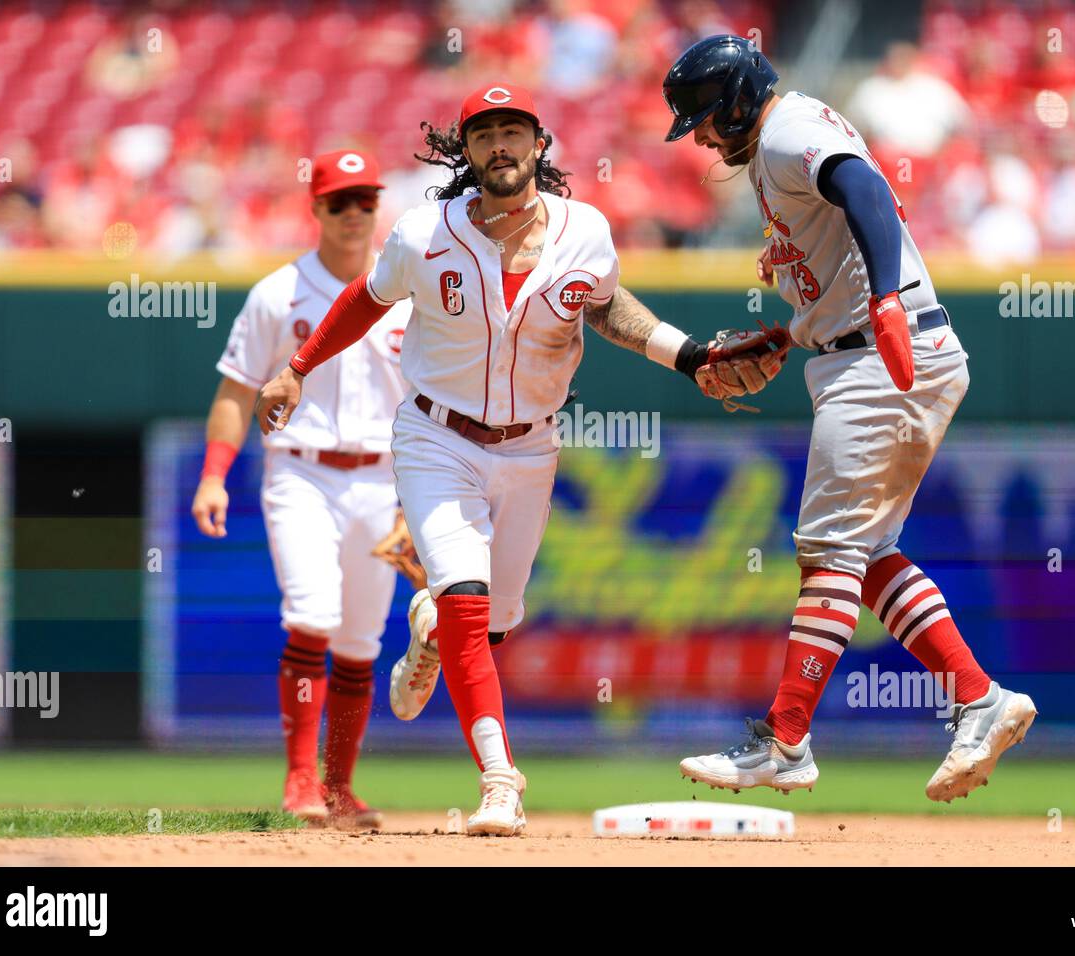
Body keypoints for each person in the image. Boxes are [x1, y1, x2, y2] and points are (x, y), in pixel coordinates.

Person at [253, 84, 784, 835]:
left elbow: (605, 307)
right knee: (472, 609)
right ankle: (500, 780)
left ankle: (430, 627)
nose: (500, 145)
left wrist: (689, 355)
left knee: (496, 619)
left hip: (531, 445)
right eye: (484, 134)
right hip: (436, 438)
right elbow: (368, 300)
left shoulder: (586, 231)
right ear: (463, 151)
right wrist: (298, 368)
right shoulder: (422, 232)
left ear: (539, 144)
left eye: (514, 130)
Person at [661, 36, 1037, 802]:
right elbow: (837, 233)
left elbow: (862, 187)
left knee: (829, 550)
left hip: (881, 351)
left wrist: (887, 299)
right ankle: (979, 697)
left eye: (702, 118)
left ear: (736, 99)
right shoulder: (780, 138)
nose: (698, 136)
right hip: (860, 349)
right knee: (864, 555)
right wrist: (789, 330)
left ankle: (786, 740)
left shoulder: (788, 131)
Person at [191, 150, 435, 827]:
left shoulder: (408, 293)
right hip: (300, 471)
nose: (355, 213)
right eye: (340, 202)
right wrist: (213, 473)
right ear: (316, 209)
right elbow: (236, 390)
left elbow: (430, 403)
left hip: (383, 480)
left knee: (359, 642)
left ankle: (338, 787)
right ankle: (300, 778)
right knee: (312, 613)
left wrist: (415, 501)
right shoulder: (279, 292)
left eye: (366, 200)